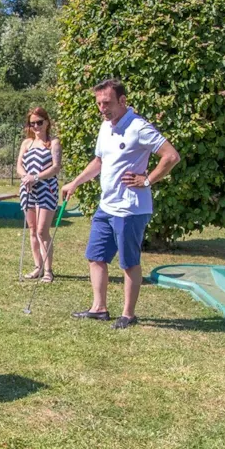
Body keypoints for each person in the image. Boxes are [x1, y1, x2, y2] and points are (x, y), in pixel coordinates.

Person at [61, 79, 180, 329]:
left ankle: (128, 314)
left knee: (128, 262)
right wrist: (74, 183)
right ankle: (99, 308)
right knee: (95, 257)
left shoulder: (138, 127)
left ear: (122, 101)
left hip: (130, 209)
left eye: (107, 103)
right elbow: (99, 161)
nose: (102, 108)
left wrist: (147, 180)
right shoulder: (106, 127)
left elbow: (171, 156)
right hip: (107, 206)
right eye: (99, 103)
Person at [16, 107, 61, 283]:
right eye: (32, 123)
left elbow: (56, 167)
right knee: (33, 230)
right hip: (28, 189)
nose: (36, 126)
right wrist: (25, 177)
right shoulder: (26, 143)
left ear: (47, 122)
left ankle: (48, 270)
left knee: (43, 231)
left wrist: (36, 177)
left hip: (47, 189)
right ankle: (38, 267)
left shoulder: (53, 142)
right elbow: (19, 165)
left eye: (39, 122)